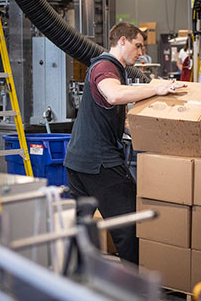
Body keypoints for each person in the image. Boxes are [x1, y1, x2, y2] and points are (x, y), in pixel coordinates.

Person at [64, 22, 185, 265]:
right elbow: (114, 95)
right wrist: (156, 89)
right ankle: (136, 290)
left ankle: (75, 280)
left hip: (78, 162)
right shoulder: (105, 67)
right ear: (122, 41)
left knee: (81, 229)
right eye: (138, 46)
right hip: (100, 165)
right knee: (130, 226)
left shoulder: (112, 69)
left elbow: (114, 112)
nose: (141, 53)